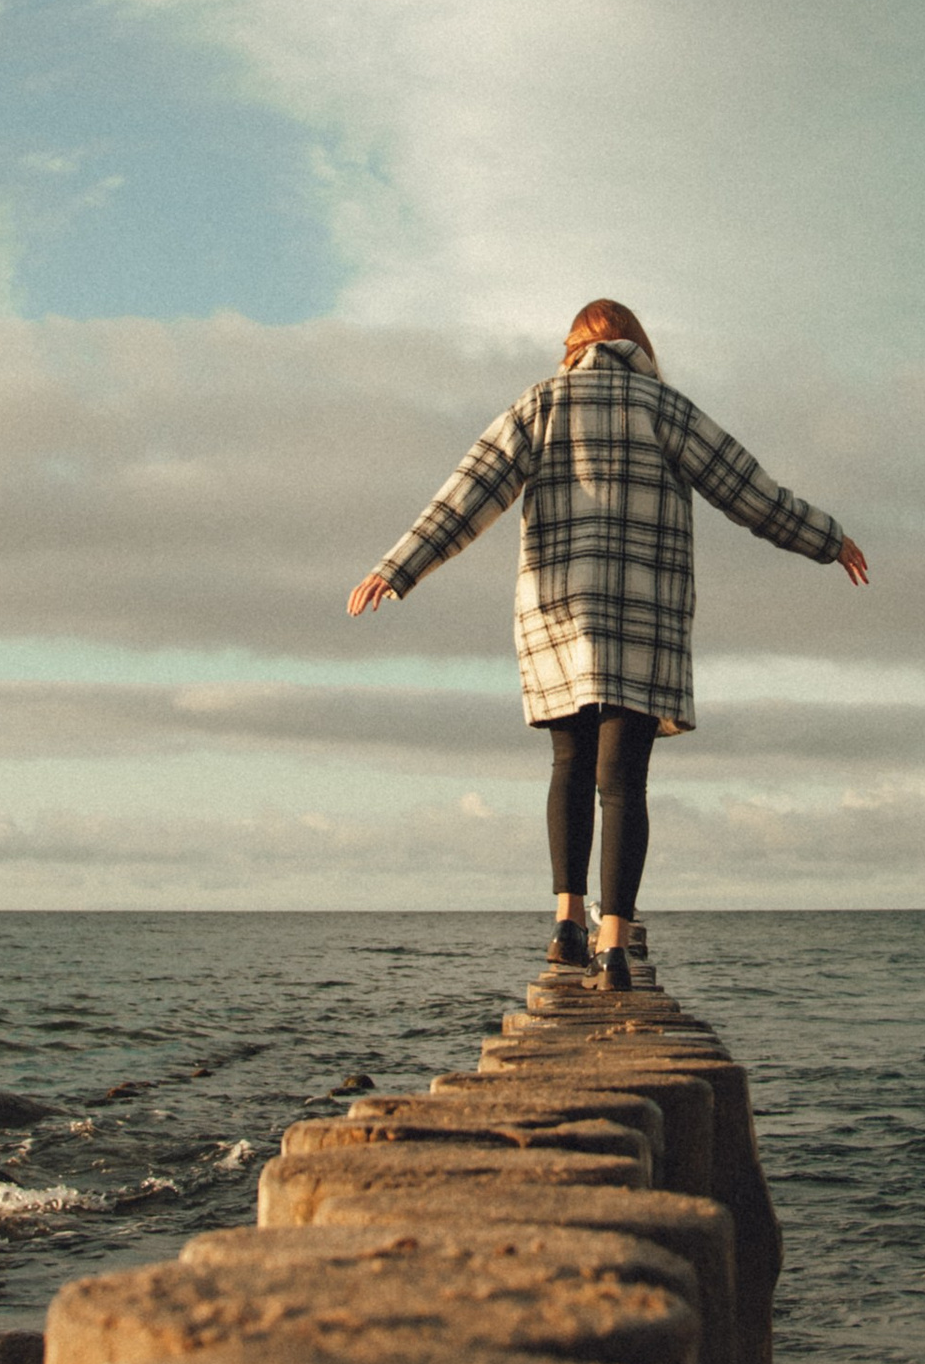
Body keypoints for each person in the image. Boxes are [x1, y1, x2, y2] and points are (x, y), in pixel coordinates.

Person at [348, 299, 867, 987]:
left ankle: (567, 925)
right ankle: (614, 944)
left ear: (573, 348)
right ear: (638, 347)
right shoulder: (666, 408)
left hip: (559, 618)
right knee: (623, 782)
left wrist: (398, 567)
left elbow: (470, 493)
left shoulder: (541, 404)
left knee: (569, 765)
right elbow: (750, 492)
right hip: (643, 619)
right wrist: (829, 539)